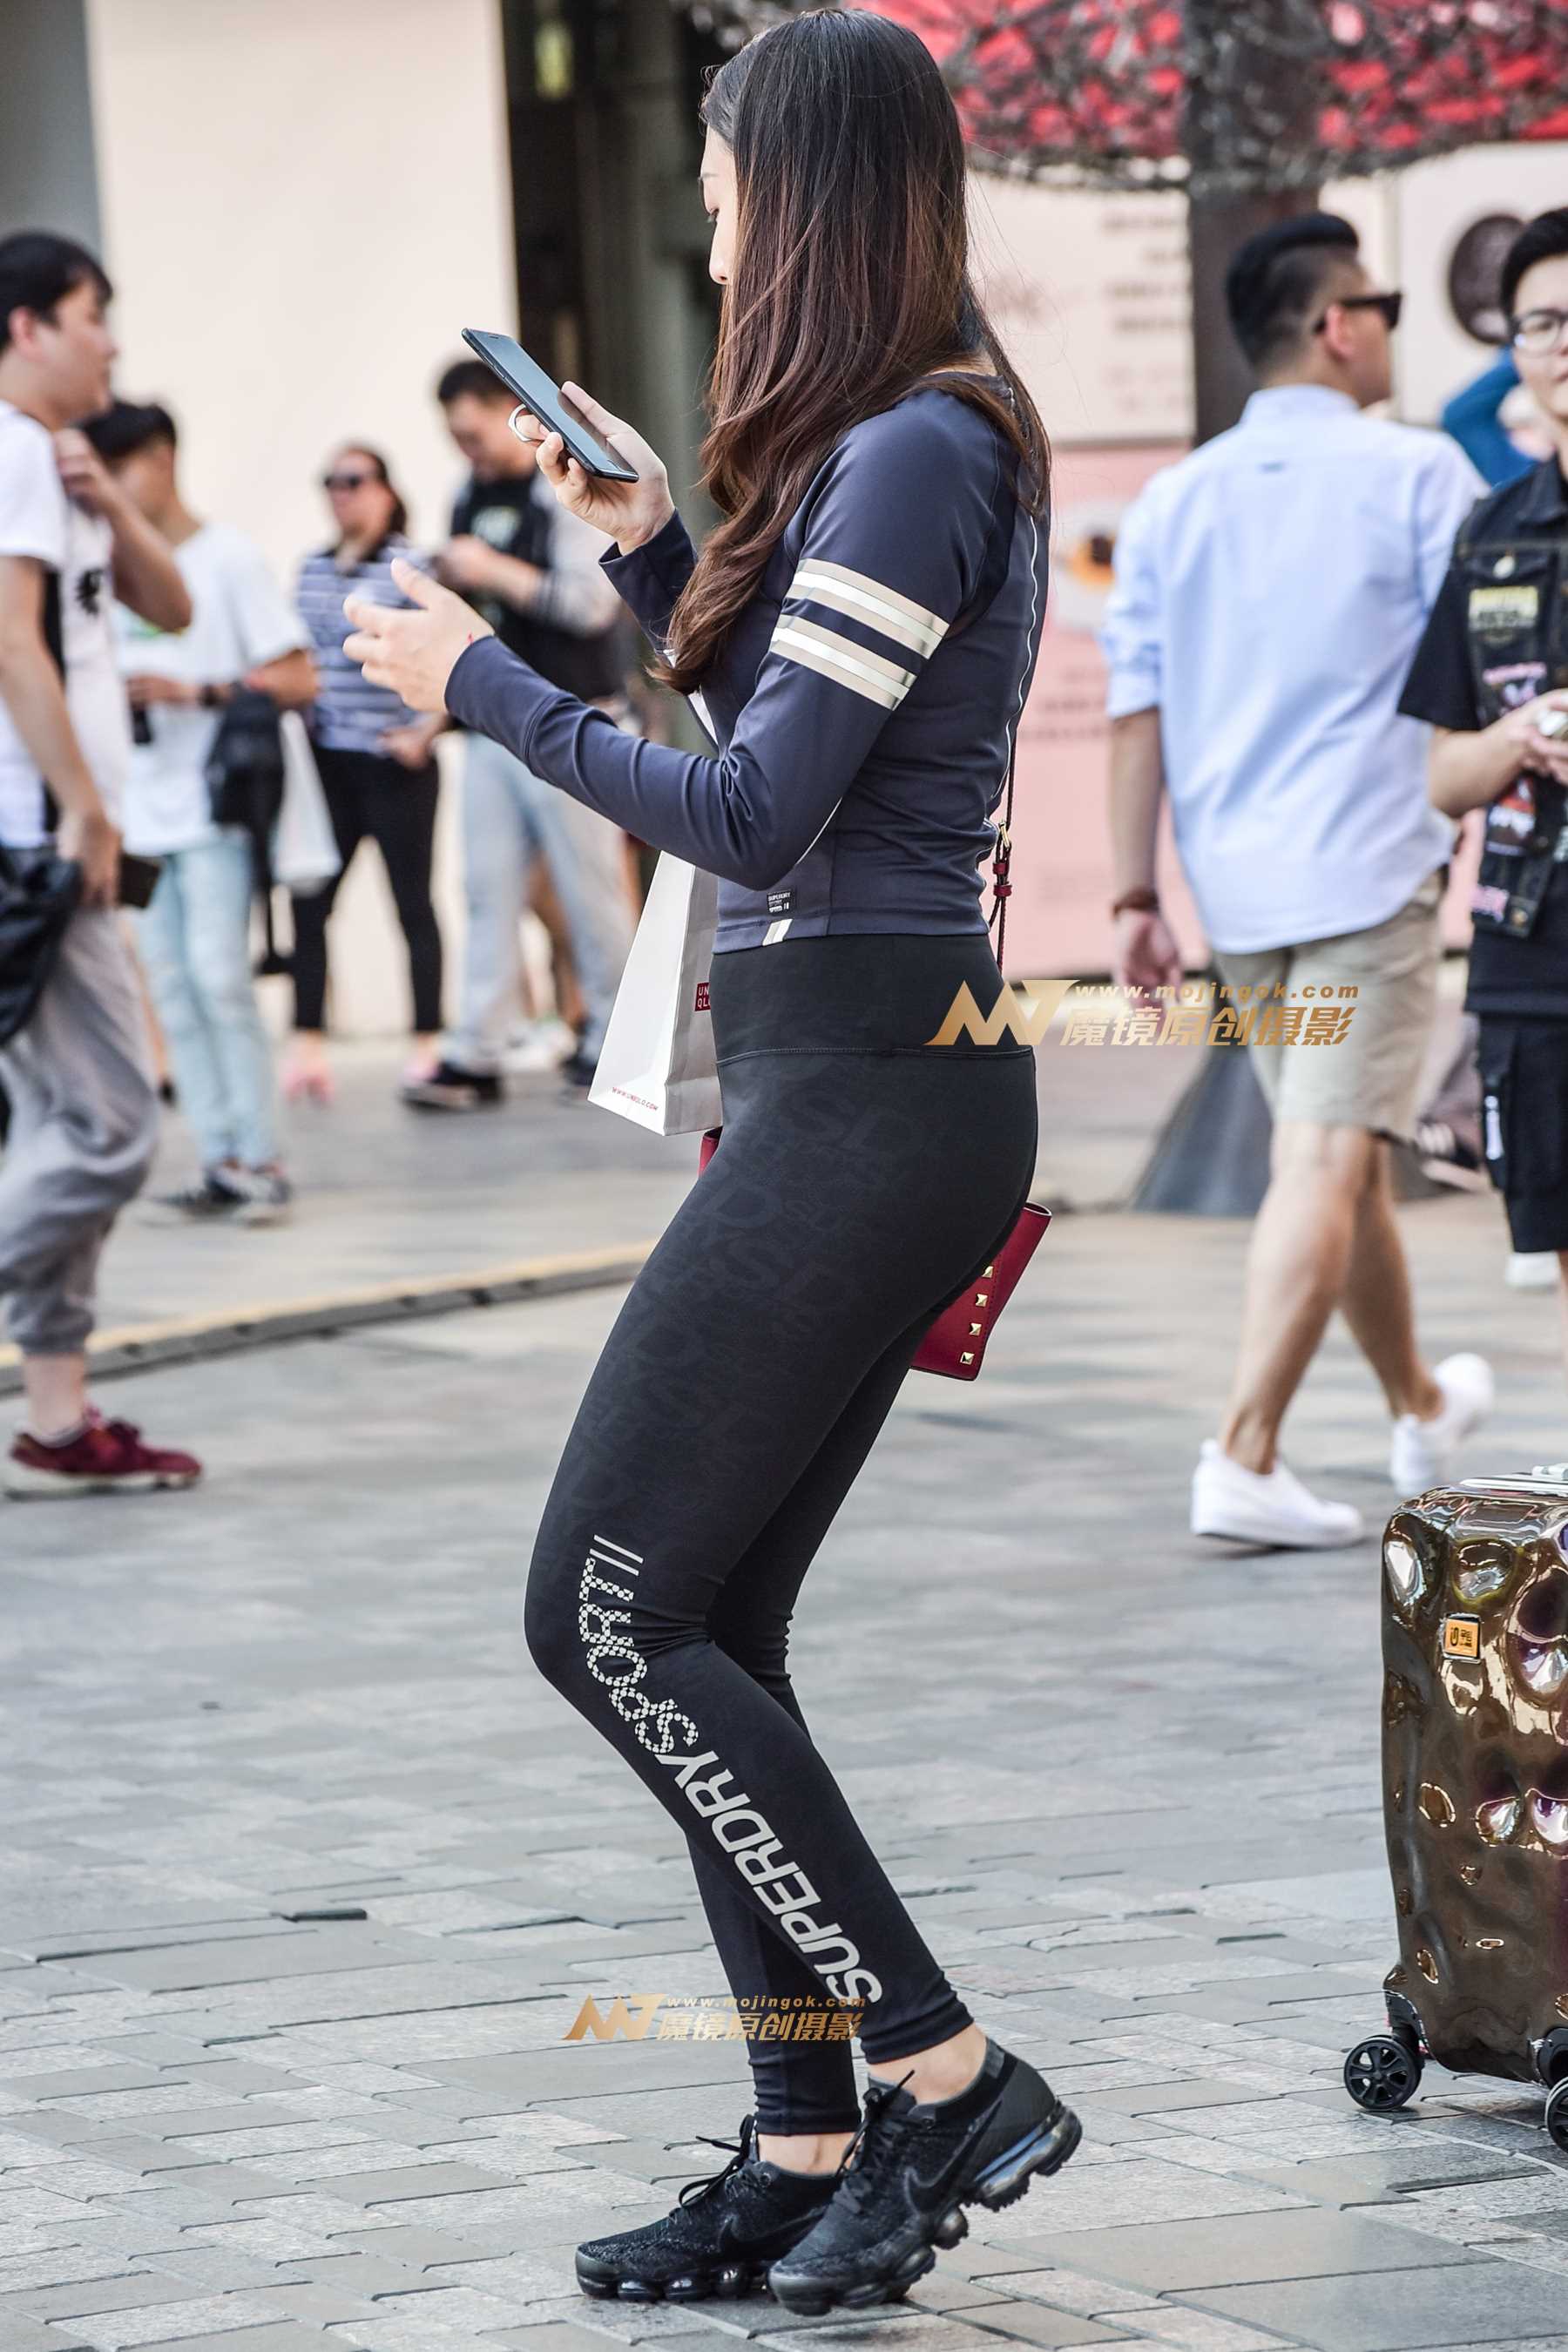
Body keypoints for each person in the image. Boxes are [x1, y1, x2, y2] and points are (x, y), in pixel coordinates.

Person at [344, 10, 1079, 2314]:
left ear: (811, 194)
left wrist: (487, 685)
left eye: (728, 179)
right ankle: (802, 2135)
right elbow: (790, 755)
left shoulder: (918, 446)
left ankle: (945, 2073)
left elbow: (757, 818)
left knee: (602, 1607)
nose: (710, 218)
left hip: (875, 1086)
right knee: (704, 1621)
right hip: (848, 1077)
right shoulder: (895, 444)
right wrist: (662, 548)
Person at [1102, 213, 1495, 1550]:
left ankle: (1419, 1403)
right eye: (1380, 305)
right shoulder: (1420, 473)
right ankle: (1244, 1451)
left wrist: (1133, 897)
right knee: (1324, 1156)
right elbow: (1483, 660)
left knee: (1345, 1158)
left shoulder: (1175, 499)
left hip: (1240, 895)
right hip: (1369, 871)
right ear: (1338, 325)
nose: (1385, 328)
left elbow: (1137, 711)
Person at [0, 233, 199, 1495]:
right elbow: (11, 646)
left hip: (55, 837)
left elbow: (170, 607)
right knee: (117, 1129)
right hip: (38, 842)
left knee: (62, 1124)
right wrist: (84, 813)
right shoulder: (11, 450)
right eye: (90, 315)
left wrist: (108, 500)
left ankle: (56, 1422)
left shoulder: (50, 461)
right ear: (26, 328)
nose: (110, 341)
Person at [1400, 210, 1568, 1395]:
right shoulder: (1494, 535)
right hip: (1534, 947)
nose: (1564, 344)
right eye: (1543, 323)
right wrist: (1521, 736)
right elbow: (1443, 776)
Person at [84, 400, 315, 1225]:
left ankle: (261, 1157)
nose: (110, 491)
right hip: (137, 812)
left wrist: (197, 690)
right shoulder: (103, 564)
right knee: (172, 988)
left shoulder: (227, 560)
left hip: (214, 807)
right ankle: (219, 1159)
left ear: (160, 459)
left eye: (118, 471)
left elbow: (298, 677)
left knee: (221, 979)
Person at [399, 359, 638, 1108]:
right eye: (455, 438)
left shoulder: (560, 484)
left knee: (591, 890)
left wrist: (490, 569)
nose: (466, 450)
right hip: (490, 725)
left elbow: (590, 606)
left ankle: (616, 1042)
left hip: (574, 714)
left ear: (508, 410)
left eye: (474, 434)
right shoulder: (468, 493)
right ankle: (479, 1048)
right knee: (484, 888)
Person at [286, 445, 443, 1101]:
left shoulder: (411, 567)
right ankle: (307, 1043)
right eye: (331, 482)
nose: (341, 493)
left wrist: (425, 732)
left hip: (393, 762)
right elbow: (295, 656)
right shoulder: (312, 568)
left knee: (411, 903)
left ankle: (428, 1041)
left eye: (353, 481)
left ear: (384, 490)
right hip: (329, 763)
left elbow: (458, 652)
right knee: (309, 898)